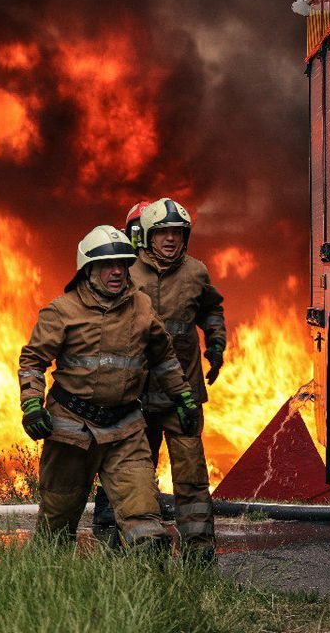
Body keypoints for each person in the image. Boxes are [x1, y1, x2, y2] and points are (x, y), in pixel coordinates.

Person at [17, 224, 203, 546]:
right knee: (56, 527)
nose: (117, 271)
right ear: (88, 268)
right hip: (71, 431)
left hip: (125, 431)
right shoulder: (61, 311)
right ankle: (46, 589)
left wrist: (183, 396)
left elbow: (164, 358)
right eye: (107, 265)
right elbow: (33, 360)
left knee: (146, 528)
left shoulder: (142, 307)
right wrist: (32, 404)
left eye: (122, 263)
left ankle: (147, 592)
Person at [132, 197, 227, 560]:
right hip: (137, 398)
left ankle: (199, 553)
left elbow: (211, 308)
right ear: (148, 236)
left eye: (176, 232)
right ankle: (143, 550)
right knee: (138, 479)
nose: (170, 239)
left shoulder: (196, 272)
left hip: (182, 397)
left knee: (191, 478)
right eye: (163, 232)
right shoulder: (127, 273)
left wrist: (215, 344)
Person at [92, 200, 155, 533]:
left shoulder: (164, 269)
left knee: (144, 441)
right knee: (115, 436)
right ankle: (106, 507)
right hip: (124, 371)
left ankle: (142, 505)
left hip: (151, 372)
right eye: (134, 230)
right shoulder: (114, 267)